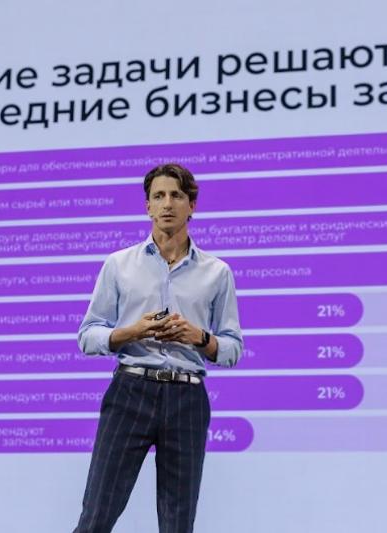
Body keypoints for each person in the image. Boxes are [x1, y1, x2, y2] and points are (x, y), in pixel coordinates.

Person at [73, 163, 243, 532]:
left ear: (192, 205)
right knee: (97, 514)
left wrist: (199, 337)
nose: (167, 204)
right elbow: (88, 335)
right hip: (130, 391)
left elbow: (232, 348)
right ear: (147, 206)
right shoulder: (118, 265)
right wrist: (130, 332)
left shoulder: (217, 272)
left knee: (178, 523)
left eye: (177, 196)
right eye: (159, 196)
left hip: (187, 399)